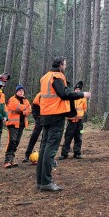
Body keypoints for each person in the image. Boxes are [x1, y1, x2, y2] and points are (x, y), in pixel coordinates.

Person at [36, 56, 91, 192]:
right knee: (50, 148)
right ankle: (46, 182)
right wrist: (82, 94)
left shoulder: (45, 77)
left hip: (46, 115)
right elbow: (64, 93)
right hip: (56, 116)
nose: (65, 67)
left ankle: (41, 181)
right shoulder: (57, 76)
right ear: (60, 65)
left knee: (44, 147)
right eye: (65, 64)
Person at [4, 85, 32, 168]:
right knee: (12, 141)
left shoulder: (26, 100)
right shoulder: (12, 99)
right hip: (13, 125)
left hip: (21, 125)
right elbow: (16, 107)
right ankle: (7, 161)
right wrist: (24, 109)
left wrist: (24, 111)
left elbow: (29, 110)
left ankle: (11, 160)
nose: (21, 92)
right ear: (16, 92)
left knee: (16, 142)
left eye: (22, 91)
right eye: (20, 91)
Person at [59, 81, 88, 160]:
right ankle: (64, 154)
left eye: (79, 89)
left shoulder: (83, 99)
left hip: (80, 122)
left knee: (79, 137)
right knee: (68, 137)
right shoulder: (70, 98)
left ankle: (77, 153)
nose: (78, 90)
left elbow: (84, 109)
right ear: (74, 90)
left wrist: (80, 116)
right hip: (71, 122)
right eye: (76, 89)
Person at [23, 92, 42, 162]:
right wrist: (37, 118)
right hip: (40, 119)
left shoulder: (54, 94)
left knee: (46, 138)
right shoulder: (39, 95)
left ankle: (43, 155)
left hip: (49, 119)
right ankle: (27, 154)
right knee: (34, 136)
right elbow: (34, 106)